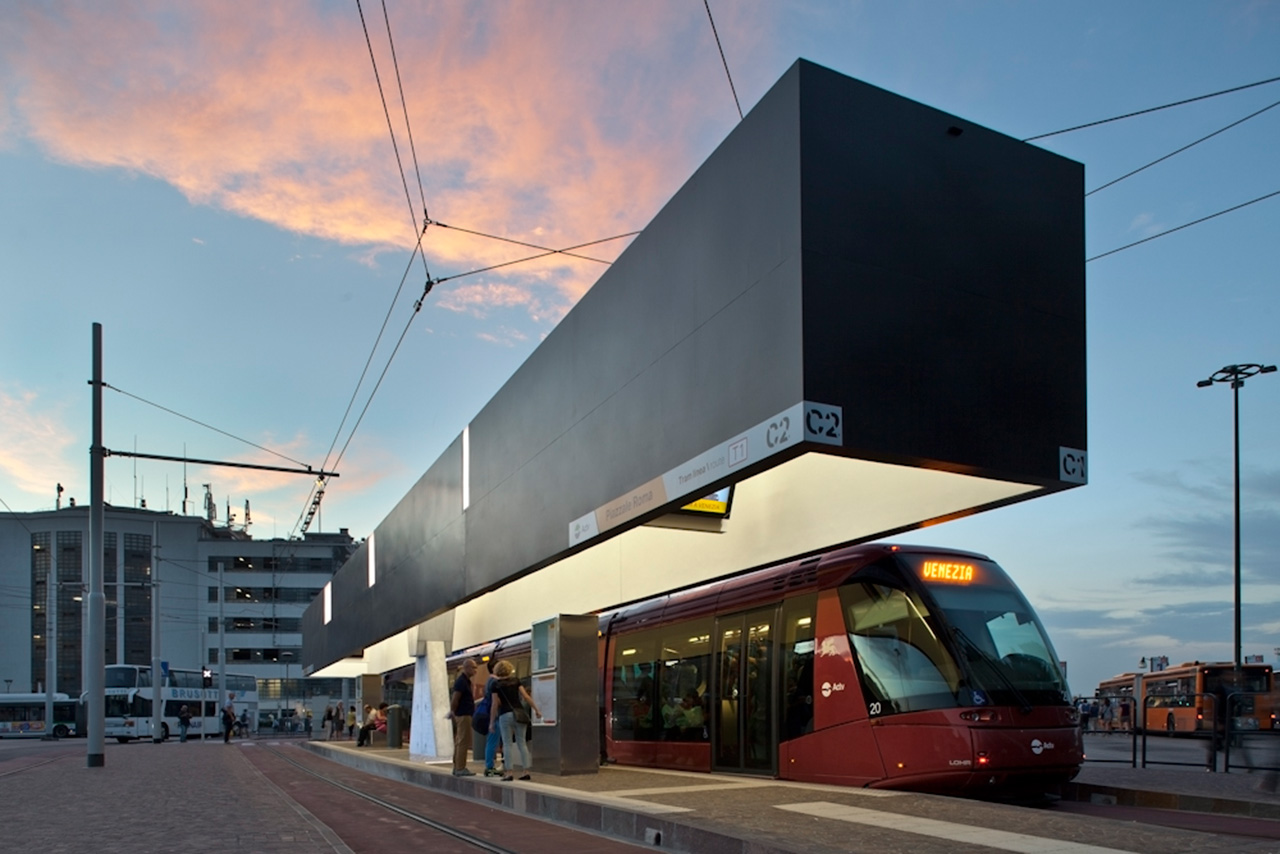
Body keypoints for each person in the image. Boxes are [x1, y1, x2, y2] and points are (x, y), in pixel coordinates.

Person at [490, 659, 541, 781]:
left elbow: (495, 704)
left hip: (504, 715)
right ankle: (526, 771)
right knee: (522, 743)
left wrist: (491, 722)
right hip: (519, 713)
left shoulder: (495, 685)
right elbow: (526, 696)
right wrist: (537, 710)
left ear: (497, 671)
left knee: (507, 744)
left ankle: (509, 772)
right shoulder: (516, 681)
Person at [449, 659, 478, 776]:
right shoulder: (461, 682)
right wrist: (452, 711)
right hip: (463, 714)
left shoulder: (465, 681)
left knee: (460, 741)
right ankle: (460, 768)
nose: (475, 670)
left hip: (463, 714)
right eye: (473, 667)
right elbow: (456, 698)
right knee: (463, 741)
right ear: (466, 667)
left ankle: (457, 766)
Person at [475, 660, 503, 777]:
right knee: (492, 742)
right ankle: (490, 767)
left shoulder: (488, 681)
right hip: (495, 716)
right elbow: (496, 702)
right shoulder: (495, 682)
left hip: (492, 715)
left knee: (491, 742)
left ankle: (490, 766)